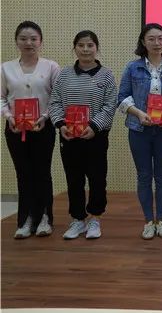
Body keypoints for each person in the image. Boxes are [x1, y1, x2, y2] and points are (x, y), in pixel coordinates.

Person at [118, 23, 162, 240]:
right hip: (139, 129)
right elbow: (122, 98)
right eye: (152, 39)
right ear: (143, 42)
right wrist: (138, 114)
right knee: (144, 176)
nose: (157, 43)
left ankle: (161, 220)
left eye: (160, 38)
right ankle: (148, 221)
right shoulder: (133, 68)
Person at [49, 30, 117, 240]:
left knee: (97, 179)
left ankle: (95, 218)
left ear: (97, 48)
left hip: (95, 136)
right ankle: (78, 219)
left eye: (90, 45)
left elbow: (110, 105)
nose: (85, 49)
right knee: (74, 179)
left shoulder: (106, 75)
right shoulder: (64, 75)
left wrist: (94, 127)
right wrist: (61, 125)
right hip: (69, 137)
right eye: (81, 45)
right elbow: (54, 102)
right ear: (75, 48)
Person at [1, 21, 60, 239]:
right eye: (23, 38)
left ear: (40, 42)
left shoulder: (51, 67)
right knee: (23, 173)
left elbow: (57, 97)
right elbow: (1, 98)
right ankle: (25, 220)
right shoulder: (5, 68)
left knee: (42, 173)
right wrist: (9, 117)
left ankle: (44, 218)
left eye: (33, 39)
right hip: (15, 128)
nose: (29, 43)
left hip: (43, 127)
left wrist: (45, 117)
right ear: (16, 42)